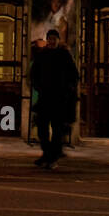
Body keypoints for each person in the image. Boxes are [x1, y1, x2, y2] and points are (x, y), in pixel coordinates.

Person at [30, 28, 78, 169]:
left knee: (57, 129)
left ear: (58, 40)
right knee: (42, 129)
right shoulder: (42, 55)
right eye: (49, 39)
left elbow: (74, 76)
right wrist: (38, 86)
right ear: (47, 40)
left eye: (54, 39)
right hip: (45, 97)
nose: (51, 41)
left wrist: (67, 90)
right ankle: (47, 153)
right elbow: (34, 74)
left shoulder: (64, 55)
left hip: (60, 99)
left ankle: (52, 157)